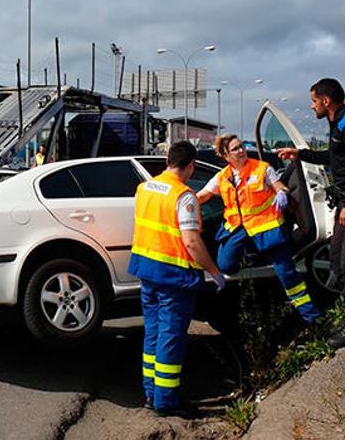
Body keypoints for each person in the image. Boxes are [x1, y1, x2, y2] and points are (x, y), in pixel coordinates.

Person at [277, 78, 345, 348]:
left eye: (314, 101)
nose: (312, 107)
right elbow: (333, 158)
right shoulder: (338, 124)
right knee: (337, 257)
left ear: (326, 101)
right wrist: (299, 154)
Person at [128, 141, 225, 417]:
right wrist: (214, 272)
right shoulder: (184, 196)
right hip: (174, 276)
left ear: (168, 160)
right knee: (170, 337)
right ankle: (166, 401)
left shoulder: (144, 188)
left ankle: (150, 393)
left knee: (154, 333)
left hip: (147, 271)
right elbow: (192, 242)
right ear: (191, 166)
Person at [197, 134, 322, 324]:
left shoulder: (262, 168)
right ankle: (251, 256)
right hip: (237, 228)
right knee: (226, 265)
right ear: (225, 155)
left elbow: (280, 186)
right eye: (236, 149)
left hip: (265, 226)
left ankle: (311, 316)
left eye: (241, 146)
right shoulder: (222, 177)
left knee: (286, 273)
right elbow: (203, 195)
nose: (241, 151)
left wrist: (282, 193)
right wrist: (184, 201)